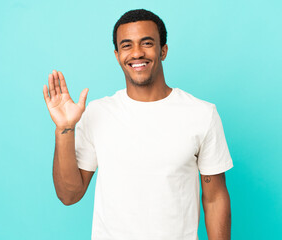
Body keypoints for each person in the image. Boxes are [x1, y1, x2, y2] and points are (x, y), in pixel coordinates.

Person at [43, 9, 233, 240]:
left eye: (147, 43)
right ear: (116, 55)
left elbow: (214, 198)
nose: (136, 53)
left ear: (163, 50)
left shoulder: (202, 114)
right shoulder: (97, 113)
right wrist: (65, 129)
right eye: (126, 45)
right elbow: (69, 195)